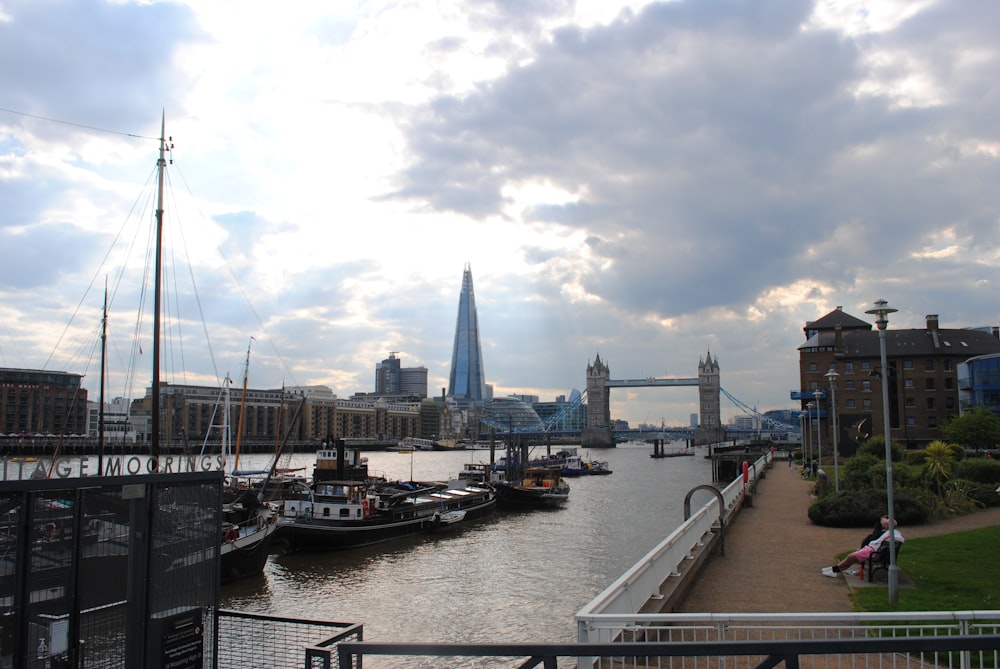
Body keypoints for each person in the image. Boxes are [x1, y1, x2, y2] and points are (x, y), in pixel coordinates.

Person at [821, 516, 903, 577]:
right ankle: (834, 569)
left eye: (886, 525)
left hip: (872, 552)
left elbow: (879, 542)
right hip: (872, 550)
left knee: (850, 557)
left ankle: (834, 570)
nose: (885, 526)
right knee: (851, 558)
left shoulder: (892, 534)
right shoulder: (890, 532)